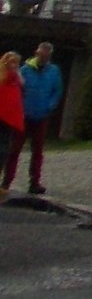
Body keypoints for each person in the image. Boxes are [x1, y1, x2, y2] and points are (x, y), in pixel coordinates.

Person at [15, 43, 62, 196]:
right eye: (41, 55)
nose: (43, 58)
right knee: (14, 149)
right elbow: (18, 90)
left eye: (46, 56)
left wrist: (50, 106)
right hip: (24, 115)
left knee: (37, 151)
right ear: (37, 54)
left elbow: (57, 91)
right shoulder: (25, 70)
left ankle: (34, 181)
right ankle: (7, 180)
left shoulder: (54, 71)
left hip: (41, 115)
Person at [0, 52, 23, 195]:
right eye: (11, 62)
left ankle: (5, 181)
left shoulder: (16, 81)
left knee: (5, 149)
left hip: (8, 119)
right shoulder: (9, 80)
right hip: (4, 118)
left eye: (16, 63)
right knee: (3, 148)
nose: (14, 65)